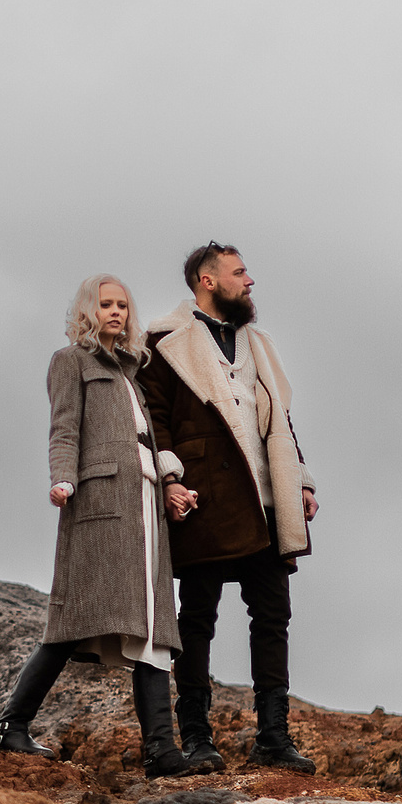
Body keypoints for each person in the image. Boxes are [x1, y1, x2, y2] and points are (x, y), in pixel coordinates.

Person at [0, 275, 200, 778]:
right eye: (106, 304)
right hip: (100, 505)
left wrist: (171, 485)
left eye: (122, 304)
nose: (116, 312)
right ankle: (11, 726)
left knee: (153, 626)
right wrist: (62, 478)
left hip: (145, 509)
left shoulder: (132, 372)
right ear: (88, 311)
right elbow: (64, 429)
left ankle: (161, 752)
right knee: (75, 619)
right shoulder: (70, 361)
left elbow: (145, 442)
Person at [139, 242, 320, 773]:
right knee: (198, 618)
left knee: (273, 616)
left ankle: (273, 737)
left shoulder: (257, 344)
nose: (250, 281)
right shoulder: (163, 341)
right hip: (206, 497)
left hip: (265, 498)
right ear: (207, 280)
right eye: (240, 272)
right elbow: (153, 417)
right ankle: (197, 737)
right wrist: (170, 477)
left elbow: (278, 418)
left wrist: (300, 481)